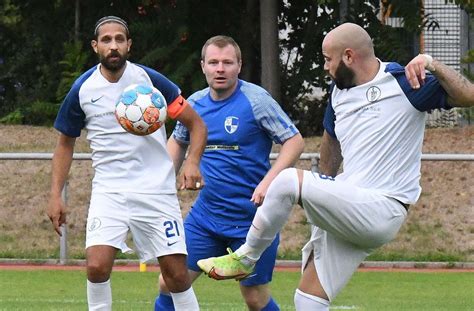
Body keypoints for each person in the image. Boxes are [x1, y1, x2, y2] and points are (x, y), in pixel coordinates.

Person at [196, 23, 474, 310]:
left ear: (349, 56)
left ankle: (245, 258)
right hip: (349, 203)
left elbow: (469, 95)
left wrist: (431, 63)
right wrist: (322, 190)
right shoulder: (339, 91)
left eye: (328, 59)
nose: (325, 66)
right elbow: (331, 141)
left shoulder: (404, 82)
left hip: (383, 207)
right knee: (307, 301)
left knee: (287, 179)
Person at [47, 16, 206, 311]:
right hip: (110, 191)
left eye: (119, 39)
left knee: (176, 274)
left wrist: (192, 162)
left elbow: (196, 125)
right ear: (95, 46)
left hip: (156, 191)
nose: (113, 46)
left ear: (129, 45)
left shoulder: (151, 82)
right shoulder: (83, 89)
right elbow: (64, 144)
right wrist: (55, 194)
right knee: (96, 266)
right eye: (106, 40)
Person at [154, 35, 304, 311]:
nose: (220, 69)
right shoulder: (195, 103)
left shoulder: (256, 100)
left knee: (255, 297)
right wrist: (159, 183)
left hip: (252, 220)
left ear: (239, 65)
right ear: (203, 67)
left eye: (227, 62)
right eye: (213, 62)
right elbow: (178, 141)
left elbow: (294, 141)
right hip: (206, 218)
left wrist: (268, 182)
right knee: (169, 282)